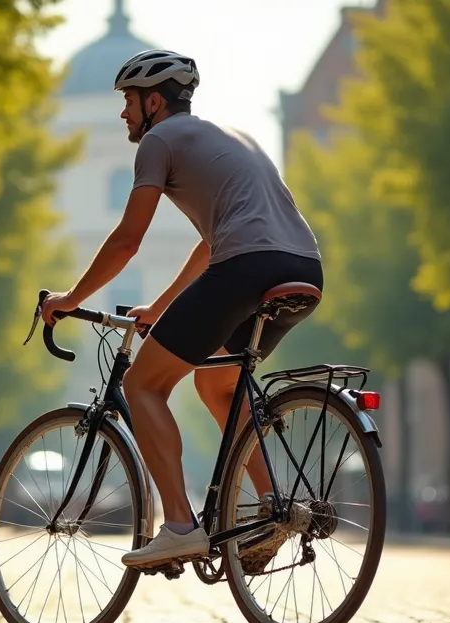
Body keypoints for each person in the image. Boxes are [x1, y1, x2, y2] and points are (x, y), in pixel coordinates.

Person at [39, 49, 324, 569]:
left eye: (129, 100)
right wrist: (161, 306)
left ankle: (178, 527)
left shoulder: (159, 141)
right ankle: (272, 508)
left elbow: (128, 240)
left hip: (245, 268)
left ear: (154, 102)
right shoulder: (231, 137)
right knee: (216, 385)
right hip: (303, 269)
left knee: (143, 385)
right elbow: (212, 243)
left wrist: (70, 299)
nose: (123, 112)